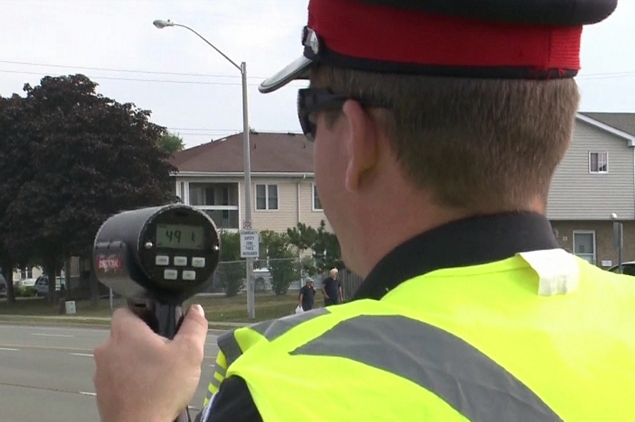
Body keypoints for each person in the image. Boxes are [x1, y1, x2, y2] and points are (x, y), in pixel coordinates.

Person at [92, 0, 635, 421]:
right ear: (556, 136)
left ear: (356, 139)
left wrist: (140, 412)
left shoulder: (291, 392)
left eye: (310, 114)